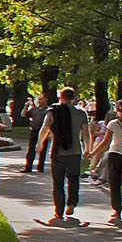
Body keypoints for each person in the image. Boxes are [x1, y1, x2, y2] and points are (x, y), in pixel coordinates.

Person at [37, 86, 90, 222]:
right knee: (73, 179)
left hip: (58, 151)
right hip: (75, 151)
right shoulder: (81, 113)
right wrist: (88, 148)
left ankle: (59, 210)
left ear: (60, 97)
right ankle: (71, 203)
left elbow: (45, 128)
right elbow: (86, 133)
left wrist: (40, 143)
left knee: (58, 182)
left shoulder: (53, 112)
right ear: (74, 98)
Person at [22, 94, 48, 173]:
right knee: (31, 149)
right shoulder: (34, 109)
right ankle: (28, 167)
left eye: (41, 99)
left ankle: (40, 167)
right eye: (38, 99)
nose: (39, 101)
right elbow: (23, 114)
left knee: (43, 150)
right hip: (34, 131)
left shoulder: (48, 110)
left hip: (43, 132)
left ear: (45, 100)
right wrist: (26, 106)